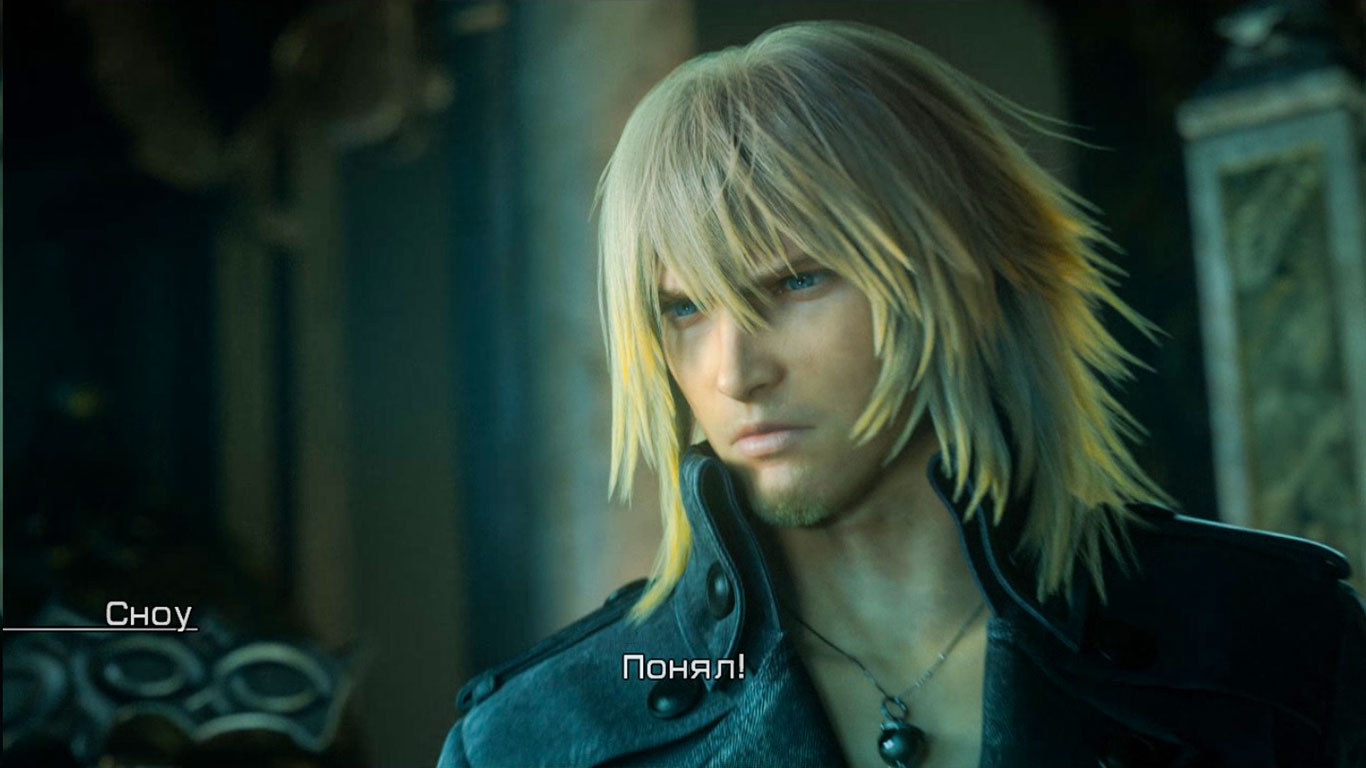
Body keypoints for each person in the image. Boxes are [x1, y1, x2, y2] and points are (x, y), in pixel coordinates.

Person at [437, 20, 1366, 767]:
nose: (734, 373)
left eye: (796, 281)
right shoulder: (533, 739)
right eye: (683, 308)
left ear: (962, 273)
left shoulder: (1276, 645)